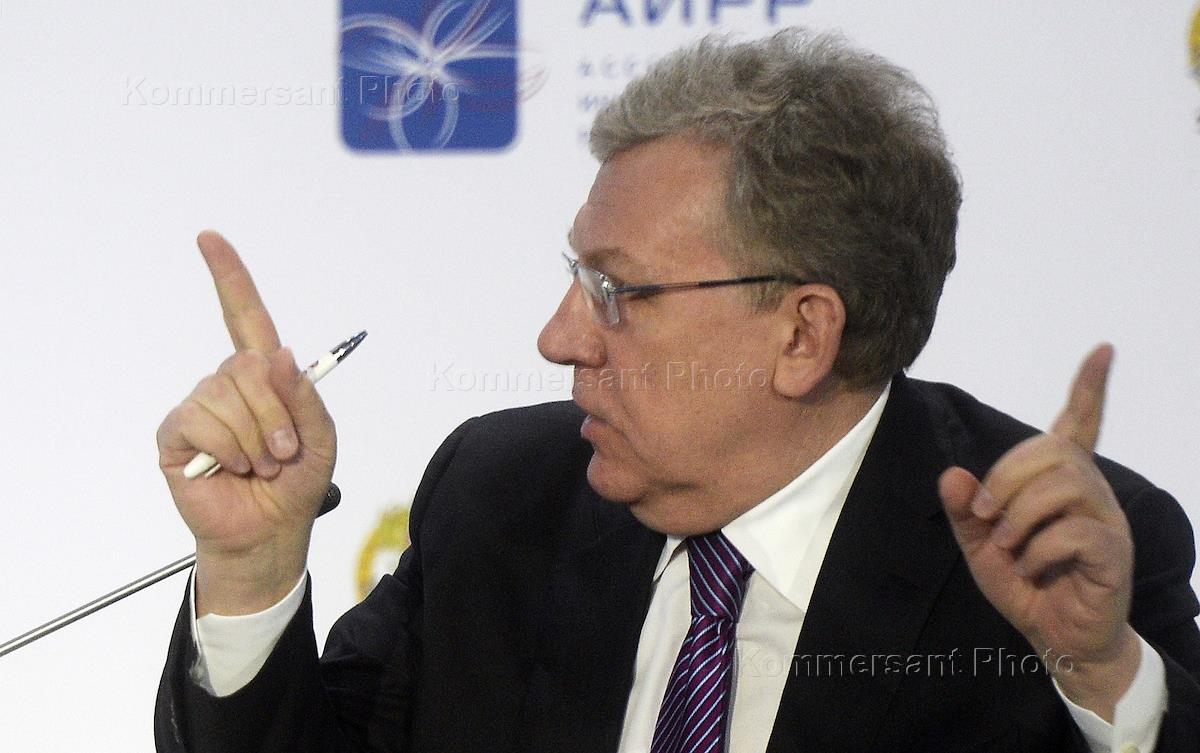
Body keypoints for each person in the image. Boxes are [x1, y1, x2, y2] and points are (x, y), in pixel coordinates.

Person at [154, 30, 1200, 752]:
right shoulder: (501, 495)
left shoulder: (1048, 565)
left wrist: (1102, 674)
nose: (559, 338)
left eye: (616, 291)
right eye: (576, 278)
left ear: (803, 335)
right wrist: (251, 570)